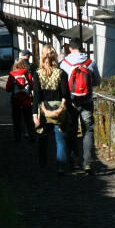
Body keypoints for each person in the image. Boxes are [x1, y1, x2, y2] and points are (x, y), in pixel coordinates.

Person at [60, 41, 101, 174]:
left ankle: (74, 160)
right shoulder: (90, 62)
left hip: (71, 102)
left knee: (71, 130)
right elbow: (97, 81)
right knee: (88, 130)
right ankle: (87, 163)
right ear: (81, 48)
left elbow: (62, 84)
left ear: (70, 48)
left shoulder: (64, 63)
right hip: (87, 101)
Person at [31, 46, 71, 174]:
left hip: (43, 110)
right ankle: (60, 167)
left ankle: (43, 163)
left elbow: (36, 95)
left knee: (43, 137)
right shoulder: (61, 73)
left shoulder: (37, 73)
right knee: (60, 139)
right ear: (55, 57)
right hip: (59, 110)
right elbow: (65, 94)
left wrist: (34, 113)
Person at [4, 58, 35, 142]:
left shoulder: (12, 75)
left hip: (15, 101)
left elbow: (7, 88)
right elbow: (32, 86)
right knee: (28, 119)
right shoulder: (27, 74)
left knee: (16, 119)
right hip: (27, 100)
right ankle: (31, 136)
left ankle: (17, 138)